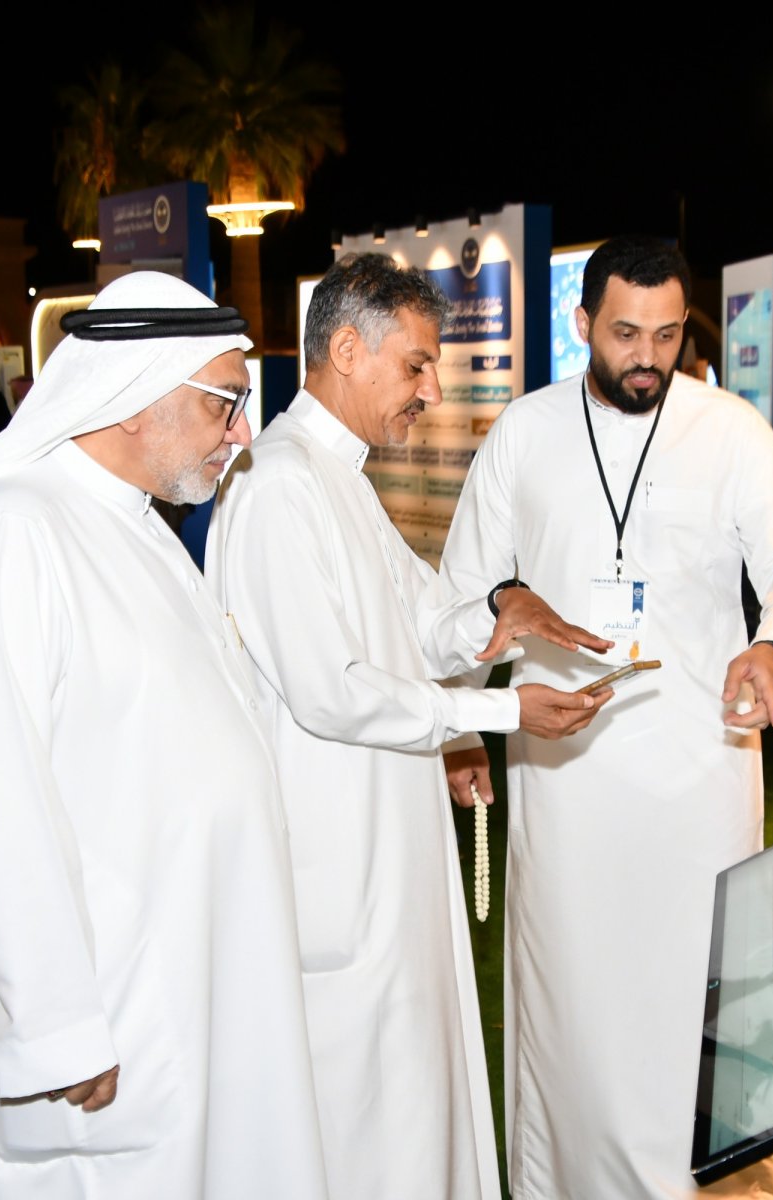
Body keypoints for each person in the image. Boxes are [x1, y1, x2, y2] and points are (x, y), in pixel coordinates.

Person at [0, 271, 328, 1199]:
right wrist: (57, 1024)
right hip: (114, 994)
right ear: (133, 395)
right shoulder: (16, 531)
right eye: (225, 403)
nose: (244, 434)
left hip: (185, 956)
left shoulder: (133, 524)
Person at [209, 252, 614, 1199]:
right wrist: (500, 711)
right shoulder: (277, 485)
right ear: (348, 350)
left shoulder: (338, 477)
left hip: (389, 863)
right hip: (336, 871)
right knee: (351, 1128)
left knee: (407, 1110)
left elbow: (424, 622)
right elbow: (331, 691)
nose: (431, 392)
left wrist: (502, 611)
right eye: (417, 365)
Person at [438, 236, 773, 1199]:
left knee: (694, 1000)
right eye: (624, 334)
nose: (646, 357)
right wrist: (462, 724)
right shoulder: (524, 434)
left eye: (665, 334)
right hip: (566, 776)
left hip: (703, 772)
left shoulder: (733, 432)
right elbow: (465, 591)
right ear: (582, 325)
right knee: (573, 1003)